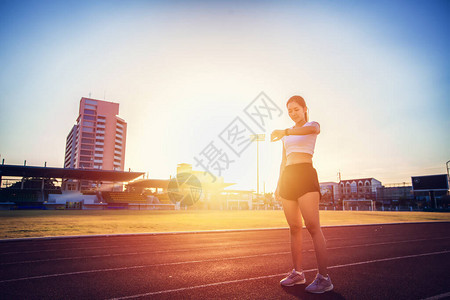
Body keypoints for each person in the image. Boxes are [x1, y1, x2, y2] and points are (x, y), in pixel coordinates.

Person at [271, 95, 333, 294]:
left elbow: (313, 130)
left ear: (305, 108)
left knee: (313, 226)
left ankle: (324, 278)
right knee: (294, 227)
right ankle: (298, 273)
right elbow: (283, 161)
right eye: (289, 110)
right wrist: (279, 184)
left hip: (305, 174)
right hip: (288, 177)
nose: (292, 113)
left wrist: (285, 131)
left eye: (296, 109)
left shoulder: (312, 125)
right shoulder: (286, 136)